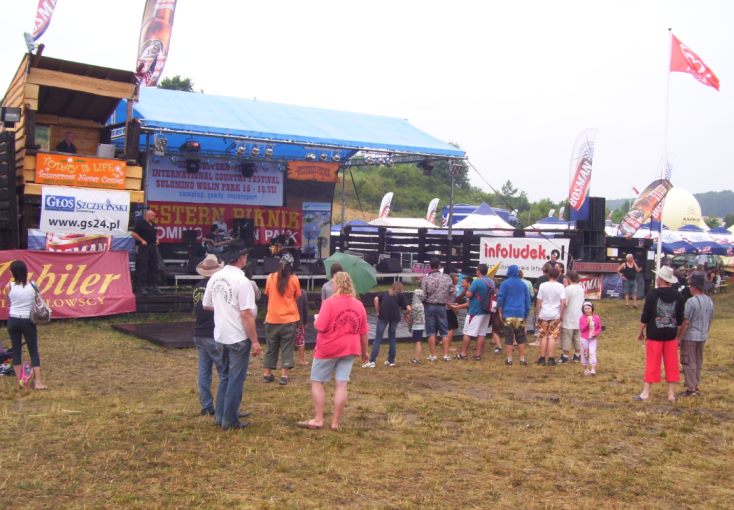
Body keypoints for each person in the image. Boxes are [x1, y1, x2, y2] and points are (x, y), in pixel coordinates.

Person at [298, 272, 368, 431]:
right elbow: (363, 332)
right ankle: (335, 422)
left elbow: (320, 326)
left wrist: (316, 320)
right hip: (350, 349)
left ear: (337, 284)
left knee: (317, 381)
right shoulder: (359, 305)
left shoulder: (329, 303)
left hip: (328, 348)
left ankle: (318, 419)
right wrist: (365, 352)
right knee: (342, 384)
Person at [202, 241, 261, 430]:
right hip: (237, 336)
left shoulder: (215, 277)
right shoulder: (242, 282)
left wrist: (223, 307)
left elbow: (206, 304)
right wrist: (255, 340)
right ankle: (230, 420)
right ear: (241, 258)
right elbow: (246, 314)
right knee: (236, 379)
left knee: (225, 377)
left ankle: (220, 416)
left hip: (220, 334)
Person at [634, 266, 685, 403]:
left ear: (661, 279)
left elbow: (646, 315)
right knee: (672, 363)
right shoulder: (679, 296)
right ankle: (671, 394)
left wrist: (640, 332)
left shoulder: (653, 294)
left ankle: (646, 392)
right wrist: (678, 336)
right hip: (671, 334)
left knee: (652, 362)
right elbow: (680, 319)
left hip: (654, 334)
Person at [5, 260, 46, 390]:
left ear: (13, 272)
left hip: (13, 320)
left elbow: (8, 301)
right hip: (27, 321)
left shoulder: (8, 286)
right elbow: (38, 300)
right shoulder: (33, 286)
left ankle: (20, 382)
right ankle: (38, 382)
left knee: (16, 350)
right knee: (33, 350)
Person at [192, 254, 225, 416]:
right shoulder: (217, 287)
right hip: (212, 332)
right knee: (225, 371)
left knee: (204, 372)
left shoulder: (196, 287)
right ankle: (225, 406)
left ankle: (206, 405)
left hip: (199, 331)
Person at [263, 252, 301, 385]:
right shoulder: (294, 280)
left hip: (272, 318)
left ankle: (267, 374)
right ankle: (284, 376)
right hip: (289, 319)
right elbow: (297, 296)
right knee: (287, 347)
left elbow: (267, 293)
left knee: (271, 347)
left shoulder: (270, 278)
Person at [677, 272, 714, 397]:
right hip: (702, 335)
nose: (689, 288)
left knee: (688, 361)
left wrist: (679, 337)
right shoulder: (709, 300)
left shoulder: (691, 302)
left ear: (694, 287)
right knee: (698, 361)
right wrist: (705, 332)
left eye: (690, 285)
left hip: (690, 336)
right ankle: (696, 384)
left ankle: (691, 388)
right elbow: (710, 320)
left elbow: (686, 321)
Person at [364, 281, 410, 368]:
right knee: (392, 337)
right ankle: (391, 361)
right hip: (395, 316)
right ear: (401, 289)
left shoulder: (385, 293)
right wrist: (405, 315)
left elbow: (376, 299)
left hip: (383, 315)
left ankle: (372, 361)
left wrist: (377, 311)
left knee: (378, 338)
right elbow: (409, 308)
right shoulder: (400, 295)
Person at [456, 264, 494, 361]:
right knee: (481, 333)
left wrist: (466, 289)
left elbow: (468, 295)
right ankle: (478, 355)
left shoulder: (477, 282)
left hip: (475, 311)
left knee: (467, 332)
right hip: (486, 310)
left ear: (479, 271)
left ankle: (463, 353)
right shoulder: (491, 282)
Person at [420, 257, 454, 362]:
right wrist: (446, 299)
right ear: (439, 265)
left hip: (429, 306)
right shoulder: (447, 277)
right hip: (442, 306)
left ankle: (433, 355)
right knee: (444, 331)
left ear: (430, 266)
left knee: (430, 331)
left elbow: (423, 295)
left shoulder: (426, 279)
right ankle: (446, 355)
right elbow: (452, 290)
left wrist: (424, 303)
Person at [497, 265, 531, 366]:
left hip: (508, 314)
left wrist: (500, 311)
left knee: (509, 337)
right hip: (520, 313)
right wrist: (526, 314)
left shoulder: (505, 283)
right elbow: (527, 301)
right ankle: (522, 359)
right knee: (521, 337)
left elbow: (500, 298)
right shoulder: (523, 284)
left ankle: (509, 359)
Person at [535, 265, 566, 366]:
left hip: (544, 313)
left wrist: (538, 313)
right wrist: (561, 314)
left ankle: (542, 358)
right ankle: (551, 358)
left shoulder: (543, 285)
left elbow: (539, 301)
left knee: (543, 336)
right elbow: (563, 302)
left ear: (548, 275)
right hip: (555, 314)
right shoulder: (560, 286)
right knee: (552, 337)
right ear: (558, 275)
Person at [130, 209, 160, 295]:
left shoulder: (153, 224)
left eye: (154, 216)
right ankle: (141, 286)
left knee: (153, 265)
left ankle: (153, 286)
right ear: (147, 215)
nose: (154, 217)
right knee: (143, 266)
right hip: (143, 247)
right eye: (152, 215)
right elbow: (133, 233)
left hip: (152, 247)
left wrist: (157, 239)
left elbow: (155, 233)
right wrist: (142, 240)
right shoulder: (140, 223)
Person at [559, 271, 584, 364]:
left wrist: (560, 315)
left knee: (567, 337)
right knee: (577, 337)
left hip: (569, 316)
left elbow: (565, 303)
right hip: (579, 316)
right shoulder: (581, 288)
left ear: (569, 278)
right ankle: (577, 355)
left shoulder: (567, 289)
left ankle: (565, 356)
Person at [579, 301, 602, 376]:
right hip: (584, 339)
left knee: (592, 352)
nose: (587, 310)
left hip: (592, 339)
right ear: (583, 309)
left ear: (592, 309)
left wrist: (596, 333)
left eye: (589, 308)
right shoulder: (582, 318)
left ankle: (593, 369)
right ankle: (586, 369)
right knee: (585, 354)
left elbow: (599, 328)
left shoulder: (596, 317)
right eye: (585, 309)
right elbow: (582, 329)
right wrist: (587, 323)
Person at [407, 288, 426, 364]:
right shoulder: (421, 304)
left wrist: (409, 323)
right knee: (418, 341)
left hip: (417, 325)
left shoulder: (415, 305)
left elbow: (412, 316)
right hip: (421, 324)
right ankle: (416, 358)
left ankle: (417, 359)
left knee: (418, 342)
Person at [295, 288, 310, 366]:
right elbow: (305, 308)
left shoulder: (284, 290)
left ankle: (286, 361)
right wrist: (306, 321)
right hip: (298, 321)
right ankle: (301, 360)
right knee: (300, 341)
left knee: (285, 342)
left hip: (286, 321)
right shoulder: (302, 292)